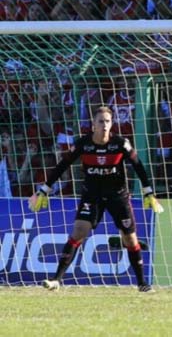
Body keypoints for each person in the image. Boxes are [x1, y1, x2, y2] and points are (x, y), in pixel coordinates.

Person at [28, 106, 164, 292]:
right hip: (92, 195)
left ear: (112, 124)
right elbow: (63, 165)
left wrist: (149, 192)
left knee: (130, 240)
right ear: (93, 125)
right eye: (100, 121)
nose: (104, 125)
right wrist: (43, 189)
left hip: (118, 196)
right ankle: (56, 280)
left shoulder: (121, 144)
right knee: (78, 231)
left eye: (107, 121)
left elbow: (138, 165)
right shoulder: (83, 144)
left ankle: (142, 283)